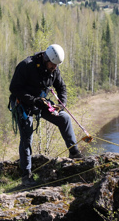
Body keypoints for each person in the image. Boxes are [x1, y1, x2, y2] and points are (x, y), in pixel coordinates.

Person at [9, 44, 83, 186]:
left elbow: (61, 87)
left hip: (41, 102)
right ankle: (26, 175)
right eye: (52, 65)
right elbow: (14, 88)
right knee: (27, 137)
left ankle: (74, 153)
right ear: (45, 58)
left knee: (64, 119)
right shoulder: (26, 66)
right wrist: (34, 100)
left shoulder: (53, 69)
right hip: (23, 104)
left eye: (56, 65)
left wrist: (62, 103)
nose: (54, 68)